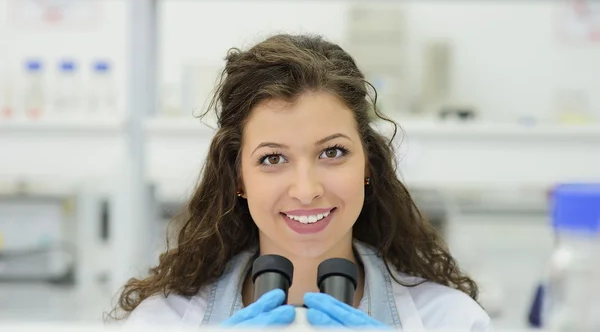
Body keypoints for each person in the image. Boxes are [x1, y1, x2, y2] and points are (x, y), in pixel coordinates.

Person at [113, 34, 492, 330]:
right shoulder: (164, 321)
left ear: (368, 166)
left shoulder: (448, 320)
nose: (306, 189)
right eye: (273, 158)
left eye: (332, 152)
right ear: (237, 177)